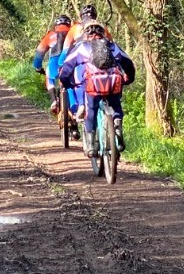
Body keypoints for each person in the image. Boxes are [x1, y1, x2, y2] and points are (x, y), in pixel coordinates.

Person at [57, 22, 136, 173]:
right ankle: (117, 125)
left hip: (93, 86)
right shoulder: (112, 46)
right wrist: (128, 79)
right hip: (113, 84)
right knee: (115, 106)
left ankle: (91, 144)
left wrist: (67, 83)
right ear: (103, 33)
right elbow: (128, 63)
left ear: (85, 35)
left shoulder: (82, 47)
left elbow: (66, 68)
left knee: (91, 109)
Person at [31, 14, 74, 117]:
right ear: (69, 24)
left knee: (49, 76)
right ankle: (75, 107)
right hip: (71, 64)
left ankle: (54, 100)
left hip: (54, 64)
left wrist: (38, 67)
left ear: (56, 25)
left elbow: (39, 53)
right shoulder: (73, 33)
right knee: (73, 83)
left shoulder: (50, 35)